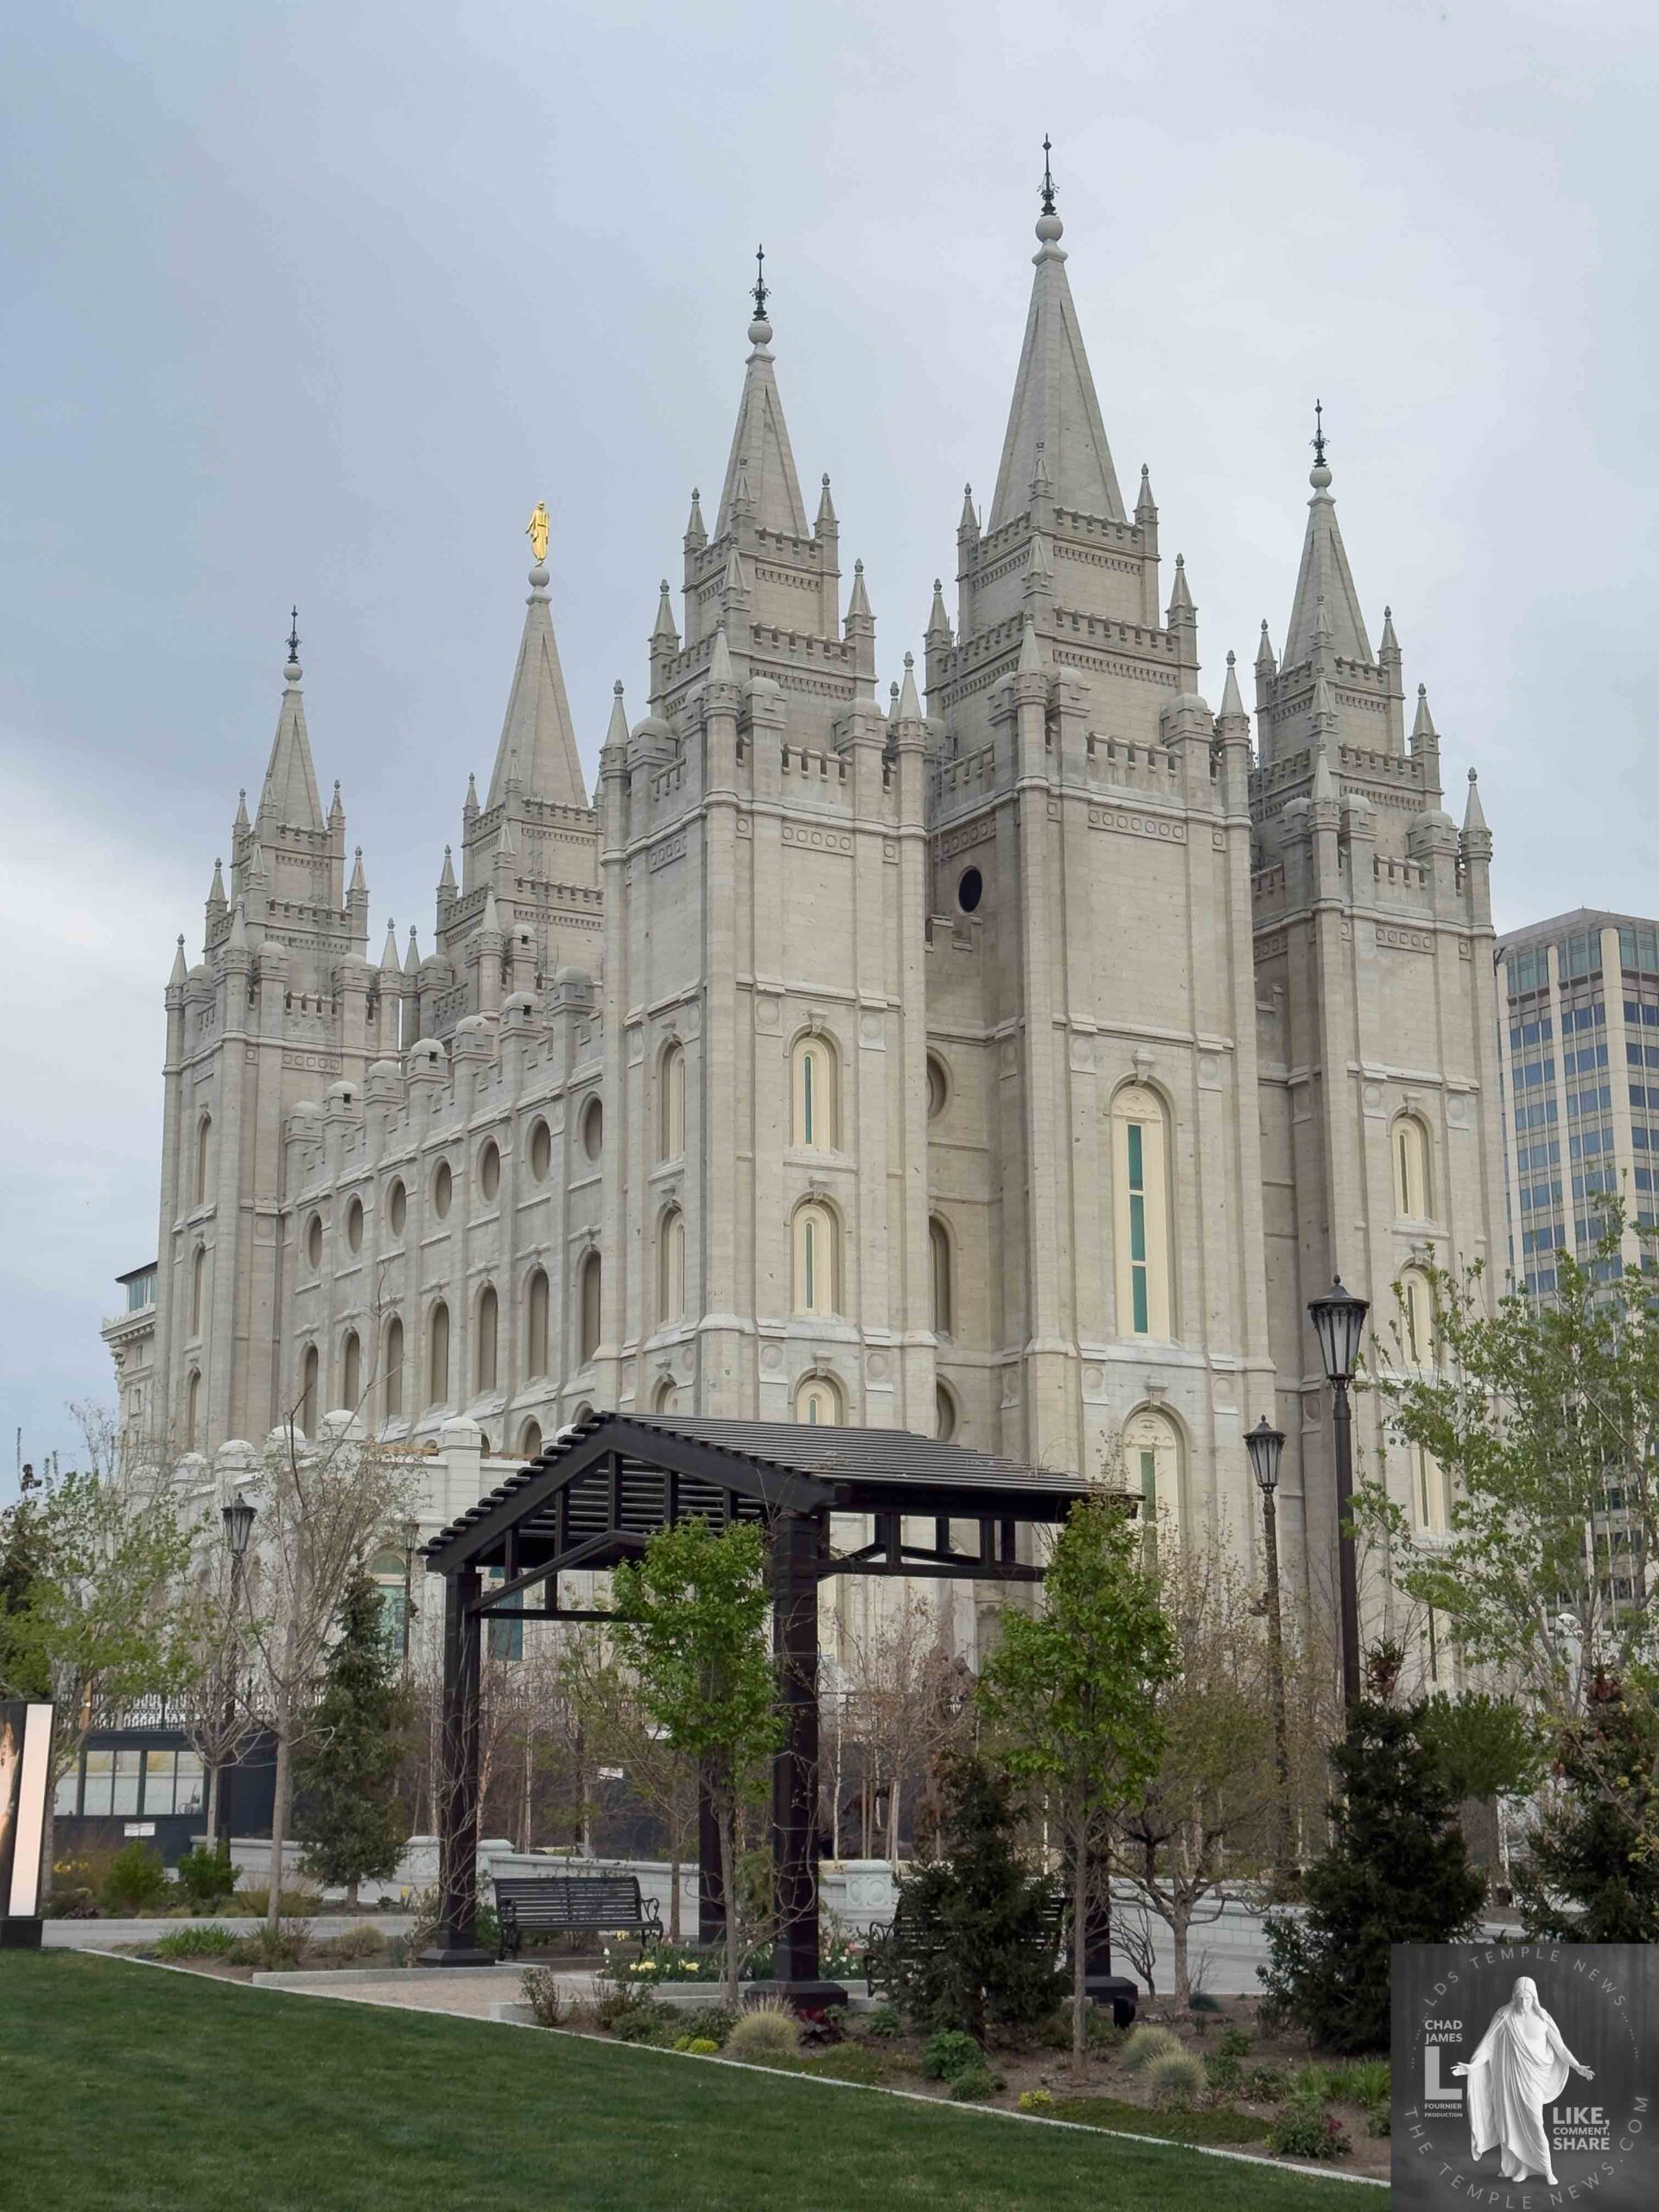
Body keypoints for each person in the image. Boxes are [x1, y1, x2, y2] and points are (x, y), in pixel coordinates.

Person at [1452, 1976, 1594, 2186]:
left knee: (1536, 2123)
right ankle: (1522, 2167)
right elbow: (1488, 2047)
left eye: (1528, 1998)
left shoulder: (1543, 2018)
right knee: (1514, 2124)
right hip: (1510, 2080)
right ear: (1514, 1997)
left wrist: (1577, 2066)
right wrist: (1471, 2067)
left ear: (1534, 1997)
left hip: (1534, 2079)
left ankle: (1547, 2169)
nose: (1524, 2003)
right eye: (1520, 1998)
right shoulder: (1504, 2017)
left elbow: (1560, 2048)